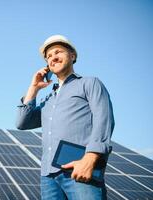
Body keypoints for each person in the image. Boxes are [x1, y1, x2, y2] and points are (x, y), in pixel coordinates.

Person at [16, 35, 115, 200]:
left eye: (58, 52)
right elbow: (22, 122)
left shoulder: (89, 83)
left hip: (79, 168)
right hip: (48, 176)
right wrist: (33, 88)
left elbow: (104, 119)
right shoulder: (48, 100)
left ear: (72, 56)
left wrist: (90, 159)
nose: (53, 57)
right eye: (48, 57)